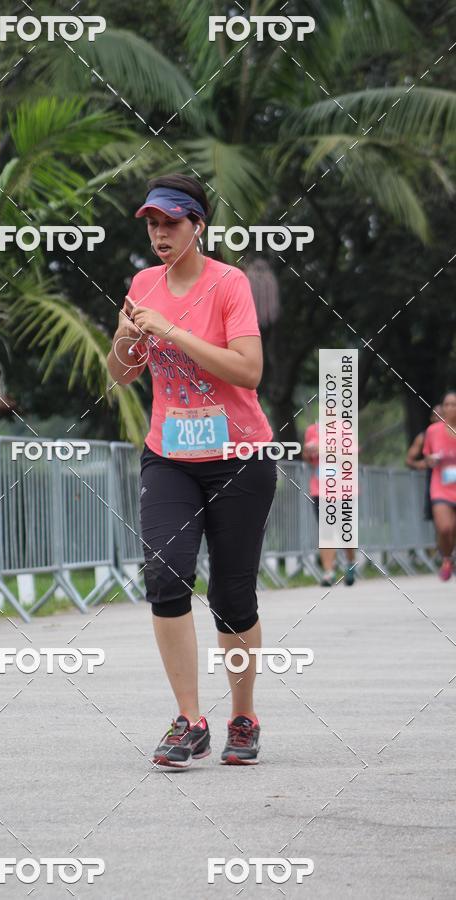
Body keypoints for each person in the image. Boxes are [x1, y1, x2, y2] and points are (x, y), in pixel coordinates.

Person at [107, 174, 277, 767]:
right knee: (166, 575)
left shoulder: (229, 284)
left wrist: (172, 330)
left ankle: (243, 715)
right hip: (169, 456)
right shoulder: (142, 284)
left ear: (197, 226)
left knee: (232, 597)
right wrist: (128, 339)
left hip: (239, 458)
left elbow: (248, 371)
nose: (159, 233)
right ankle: (189, 718)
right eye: (152, 224)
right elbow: (122, 374)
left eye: (170, 223)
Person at [303, 421, 357, 587]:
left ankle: (350, 564)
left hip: (344, 488)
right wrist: (308, 451)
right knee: (325, 531)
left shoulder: (345, 429)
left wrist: (326, 451)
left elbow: (351, 457)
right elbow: (307, 458)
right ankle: (329, 572)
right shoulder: (311, 429)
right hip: (320, 488)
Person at [423, 392, 456, 580]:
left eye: (454, 405)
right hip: (441, 487)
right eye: (447, 404)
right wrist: (431, 460)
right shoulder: (433, 431)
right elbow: (427, 456)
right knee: (445, 528)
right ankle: (446, 558)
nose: (450, 408)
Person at [406, 405, 442, 521]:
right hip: (435, 485)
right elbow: (409, 460)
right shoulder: (424, 436)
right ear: (432, 419)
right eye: (437, 416)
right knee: (442, 526)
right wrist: (422, 464)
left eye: (443, 416)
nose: (440, 419)